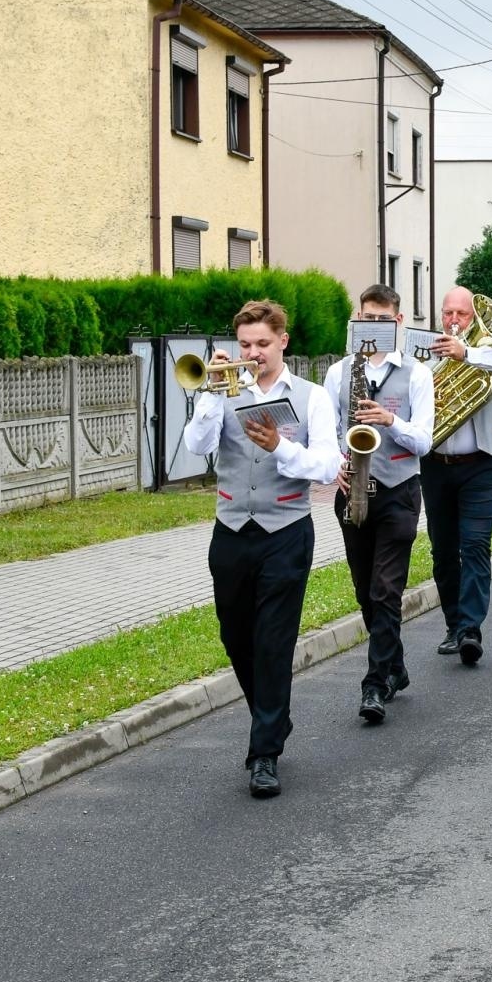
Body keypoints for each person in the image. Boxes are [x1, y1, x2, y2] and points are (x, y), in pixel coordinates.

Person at [183, 299, 341, 798]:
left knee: (274, 642)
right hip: (231, 527)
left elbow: (327, 466)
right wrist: (210, 394)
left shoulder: (312, 397)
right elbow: (195, 447)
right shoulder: (225, 391)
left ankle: (264, 753)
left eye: (262, 345)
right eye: (245, 345)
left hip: (287, 531)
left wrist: (280, 448)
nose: (253, 354)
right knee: (235, 636)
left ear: (283, 343)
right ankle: (273, 719)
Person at [323, 284, 435, 726]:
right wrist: (336, 463)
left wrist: (390, 420)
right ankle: (396, 665)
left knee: (385, 588)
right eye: (367, 319)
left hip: (400, 489)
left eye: (383, 320)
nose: (375, 326)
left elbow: (424, 440)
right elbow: (327, 429)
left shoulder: (417, 373)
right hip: (352, 488)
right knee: (364, 590)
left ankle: (374, 684)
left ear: (399, 322)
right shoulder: (339, 372)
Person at [424, 286, 492, 666]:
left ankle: (471, 628)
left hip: (481, 463)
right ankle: (454, 624)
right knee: (443, 550)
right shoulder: (425, 351)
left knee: (475, 545)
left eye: (461, 314)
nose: (453, 320)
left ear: (474, 317)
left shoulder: (491, 350)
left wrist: (466, 353)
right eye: (447, 313)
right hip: (434, 465)